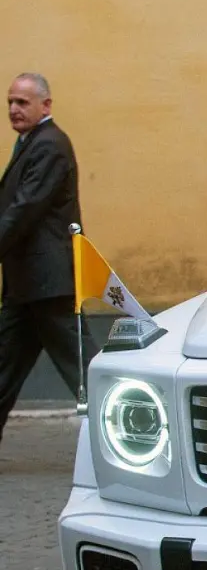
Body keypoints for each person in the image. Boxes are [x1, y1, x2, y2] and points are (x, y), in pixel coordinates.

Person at [0, 73, 92, 444]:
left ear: (46, 105)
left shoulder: (50, 144)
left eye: (22, 102)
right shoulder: (31, 142)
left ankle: (133, 437)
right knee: (4, 368)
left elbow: (25, 210)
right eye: (10, 102)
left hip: (50, 284)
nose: (13, 109)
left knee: (85, 372)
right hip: (28, 285)